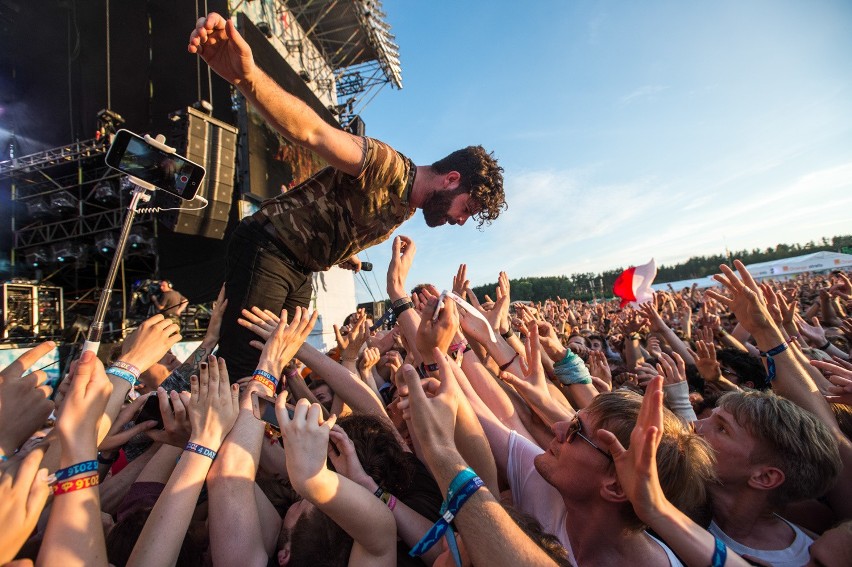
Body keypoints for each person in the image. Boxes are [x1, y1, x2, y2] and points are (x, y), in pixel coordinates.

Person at [187, 13, 507, 380]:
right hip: (270, 247)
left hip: (300, 266)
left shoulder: (405, 207)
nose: (460, 220)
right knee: (246, 371)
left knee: (278, 373)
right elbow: (313, 133)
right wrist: (246, 77)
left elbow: (338, 211)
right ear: (451, 179)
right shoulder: (388, 165)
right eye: (466, 209)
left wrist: (347, 255)